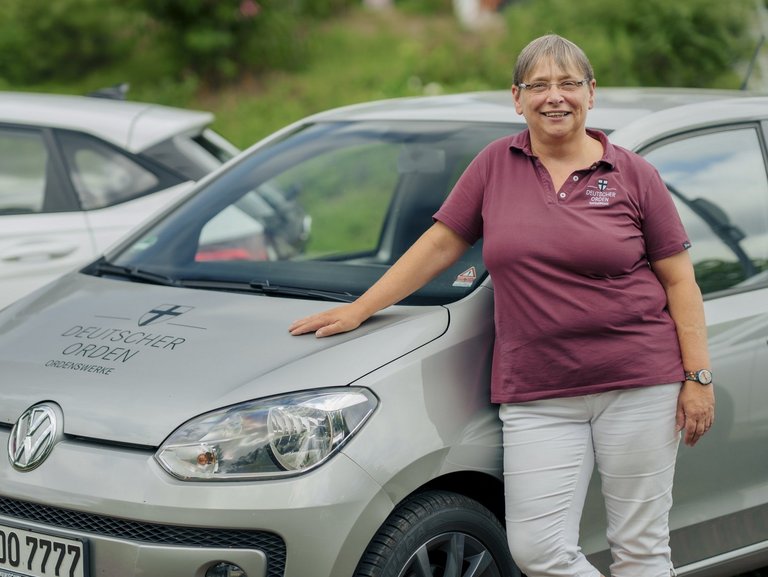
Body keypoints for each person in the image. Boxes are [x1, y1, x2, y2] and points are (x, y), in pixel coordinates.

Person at [289, 34, 715, 577]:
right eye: (538, 85)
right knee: (538, 551)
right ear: (517, 98)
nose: (554, 96)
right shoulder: (495, 164)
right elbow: (441, 243)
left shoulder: (633, 174)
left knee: (642, 549)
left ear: (591, 93)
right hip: (538, 390)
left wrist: (697, 377)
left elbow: (680, 282)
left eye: (568, 84)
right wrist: (360, 308)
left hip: (638, 384)